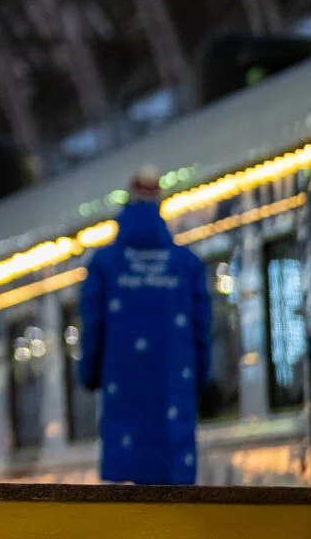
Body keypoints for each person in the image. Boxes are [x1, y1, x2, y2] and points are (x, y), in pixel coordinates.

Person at [81, 167, 211, 484]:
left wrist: (89, 374)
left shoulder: (104, 265)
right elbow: (201, 331)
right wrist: (201, 378)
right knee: (173, 509)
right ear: (159, 203)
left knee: (129, 513)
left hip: (122, 409)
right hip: (173, 414)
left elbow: (92, 327)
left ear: (128, 201)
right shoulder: (186, 265)